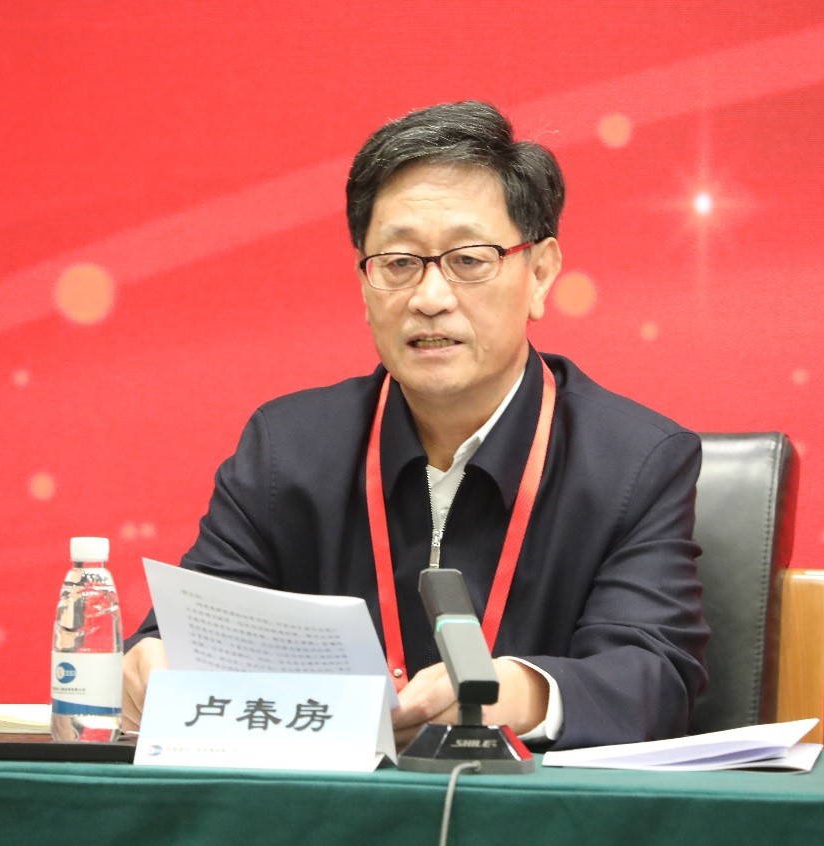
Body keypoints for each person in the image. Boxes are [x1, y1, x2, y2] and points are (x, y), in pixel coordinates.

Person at [123, 101, 708, 750]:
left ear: (540, 275)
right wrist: (154, 660)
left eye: (469, 259)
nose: (430, 298)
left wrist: (518, 692)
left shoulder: (635, 462)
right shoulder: (286, 450)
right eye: (398, 262)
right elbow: (195, 629)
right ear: (364, 283)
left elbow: (655, 678)